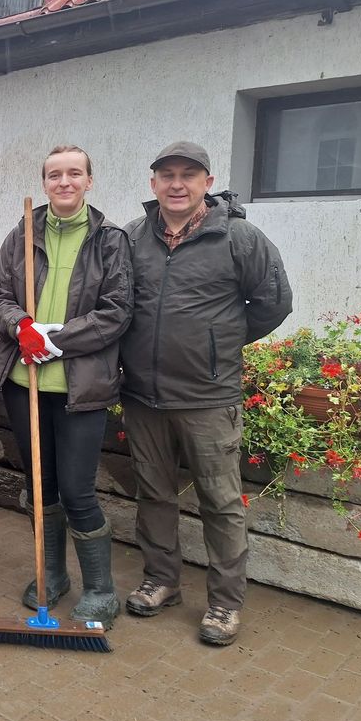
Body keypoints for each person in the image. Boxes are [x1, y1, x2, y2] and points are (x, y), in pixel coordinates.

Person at [121, 141, 292, 646]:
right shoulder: (133, 237)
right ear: (153, 184)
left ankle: (224, 603)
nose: (177, 184)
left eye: (188, 175)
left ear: (207, 183)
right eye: (167, 175)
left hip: (208, 397)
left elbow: (273, 304)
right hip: (143, 396)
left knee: (220, 502)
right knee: (153, 493)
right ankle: (162, 580)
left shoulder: (239, 238)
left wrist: (219, 344)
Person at [0, 146, 133, 629]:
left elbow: (117, 311)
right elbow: (0, 299)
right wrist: (20, 328)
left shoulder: (109, 240)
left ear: (90, 181)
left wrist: (58, 339)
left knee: (76, 490)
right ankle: (51, 573)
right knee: (41, 486)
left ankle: (99, 588)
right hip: (25, 382)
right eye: (54, 175)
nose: (64, 182)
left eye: (74, 173)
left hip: (81, 386)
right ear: (45, 183)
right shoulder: (21, 234)